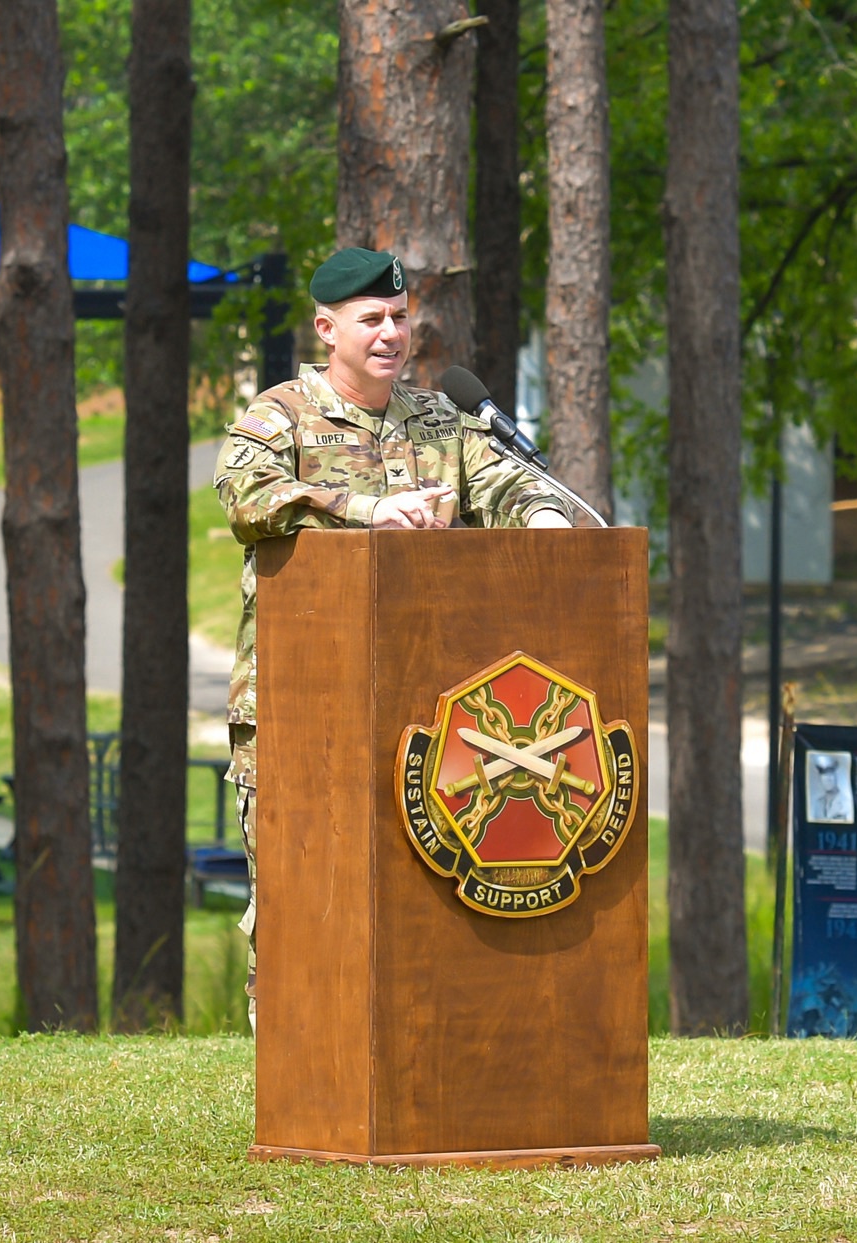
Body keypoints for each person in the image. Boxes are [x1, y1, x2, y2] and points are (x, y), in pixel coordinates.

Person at [214, 246, 572, 1029]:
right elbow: (246, 496)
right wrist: (369, 512)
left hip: (423, 720)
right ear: (326, 327)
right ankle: (293, 1084)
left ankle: (409, 1070)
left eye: (401, 318)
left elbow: (502, 480)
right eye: (371, 319)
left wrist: (545, 520)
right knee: (299, 904)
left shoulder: (439, 418)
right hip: (297, 712)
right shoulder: (281, 415)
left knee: (412, 903)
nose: (390, 334)